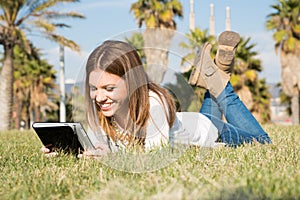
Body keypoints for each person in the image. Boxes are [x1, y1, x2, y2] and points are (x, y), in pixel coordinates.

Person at [42, 31, 271, 158]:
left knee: (263, 143)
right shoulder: (106, 107)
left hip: (211, 132)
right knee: (213, 92)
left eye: (109, 89)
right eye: (94, 89)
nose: (99, 97)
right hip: (193, 124)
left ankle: (217, 80)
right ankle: (216, 72)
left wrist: (107, 158)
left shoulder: (154, 105)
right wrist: (66, 151)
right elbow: (101, 144)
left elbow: (153, 155)